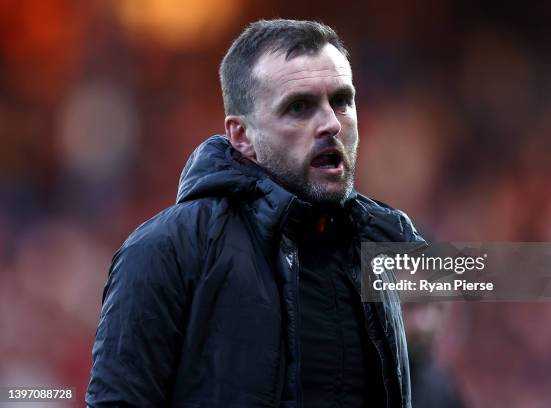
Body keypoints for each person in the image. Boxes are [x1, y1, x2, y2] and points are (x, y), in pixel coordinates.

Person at [86, 19, 425, 408]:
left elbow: (494, 282)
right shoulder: (164, 252)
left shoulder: (382, 244)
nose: (331, 124)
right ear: (242, 136)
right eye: (300, 107)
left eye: (341, 101)